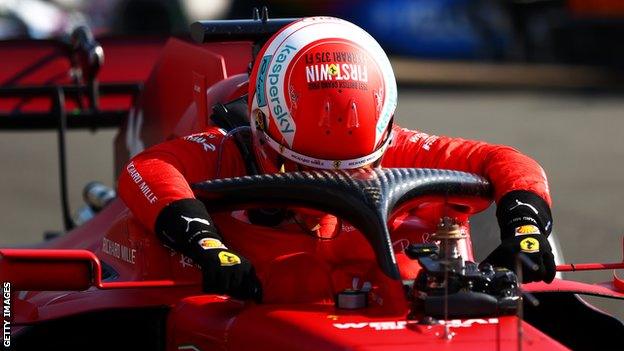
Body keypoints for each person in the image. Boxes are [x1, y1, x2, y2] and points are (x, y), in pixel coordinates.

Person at [118, 17, 555, 301]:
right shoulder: (224, 151)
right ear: (262, 128)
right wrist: (208, 247)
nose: (332, 181)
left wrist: (527, 228)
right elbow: (148, 169)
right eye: (305, 167)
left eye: (354, 168)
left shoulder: (401, 147)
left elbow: (505, 160)